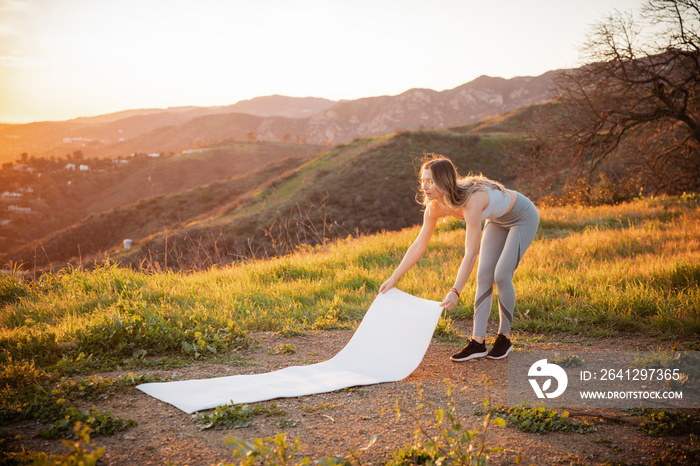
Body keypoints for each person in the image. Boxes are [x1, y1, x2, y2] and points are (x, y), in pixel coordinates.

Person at [379, 154, 539, 361]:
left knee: (501, 275)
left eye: (430, 181)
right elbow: (419, 245)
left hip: (523, 217)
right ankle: (478, 342)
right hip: (497, 220)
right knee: (484, 276)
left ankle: (504, 338)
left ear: (443, 181)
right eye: (423, 181)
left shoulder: (470, 201)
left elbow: (471, 253)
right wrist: (394, 278)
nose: (425, 186)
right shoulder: (434, 207)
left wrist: (455, 291)